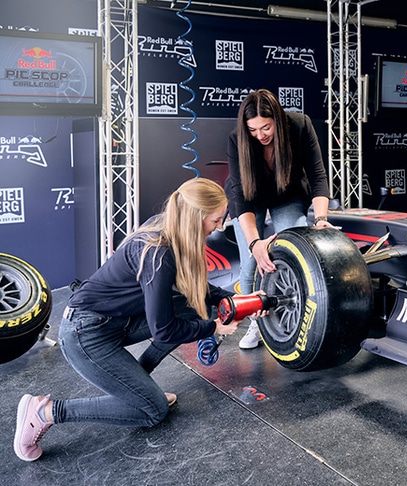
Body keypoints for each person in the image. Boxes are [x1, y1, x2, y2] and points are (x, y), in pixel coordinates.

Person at [13, 177, 264, 462]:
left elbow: (197, 292)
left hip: (116, 320)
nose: (219, 227)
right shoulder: (159, 253)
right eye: (216, 220)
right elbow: (164, 330)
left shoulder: (169, 226)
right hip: (85, 334)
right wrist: (214, 327)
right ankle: (45, 412)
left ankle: (139, 389)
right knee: (153, 410)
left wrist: (238, 301)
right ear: (195, 217)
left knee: (190, 307)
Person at [225, 89, 332, 349]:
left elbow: (317, 176)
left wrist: (320, 219)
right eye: (253, 130)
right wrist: (255, 244)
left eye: (266, 127)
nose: (260, 135)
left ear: (278, 120)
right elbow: (240, 197)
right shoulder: (237, 139)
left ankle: (302, 318)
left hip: (288, 193)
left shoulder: (300, 126)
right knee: (251, 262)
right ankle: (256, 322)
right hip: (249, 198)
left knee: (297, 250)